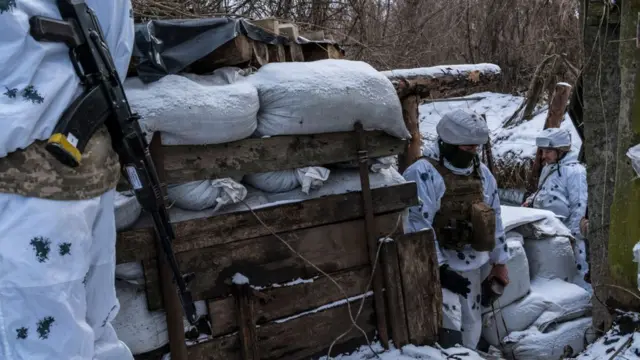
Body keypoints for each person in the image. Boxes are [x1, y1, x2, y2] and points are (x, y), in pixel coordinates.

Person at [0, 1, 135, 359]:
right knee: (94, 334)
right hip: (84, 165)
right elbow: (117, 47)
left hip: (22, 183)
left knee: (37, 343)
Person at [402, 109, 510, 350]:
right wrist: (439, 269)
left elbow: (495, 216)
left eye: (476, 148)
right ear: (448, 143)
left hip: (474, 266)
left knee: (472, 322)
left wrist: (500, 261)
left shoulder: (481, 174)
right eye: (467, 148)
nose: (473, 153)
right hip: (439, 268)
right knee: (448, 326)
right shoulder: (423, 174)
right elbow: (418, 225)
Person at [522, 128, 589, 282]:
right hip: (548, 229)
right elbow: (543, 190)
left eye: (548, 151)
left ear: (561, 151)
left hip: (566, 232)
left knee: (575, 270)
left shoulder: (575, 172)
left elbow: (579, 205)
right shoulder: (548, 168)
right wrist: (531, 200)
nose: (543, 156)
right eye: (542, 151)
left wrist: (572, 236)